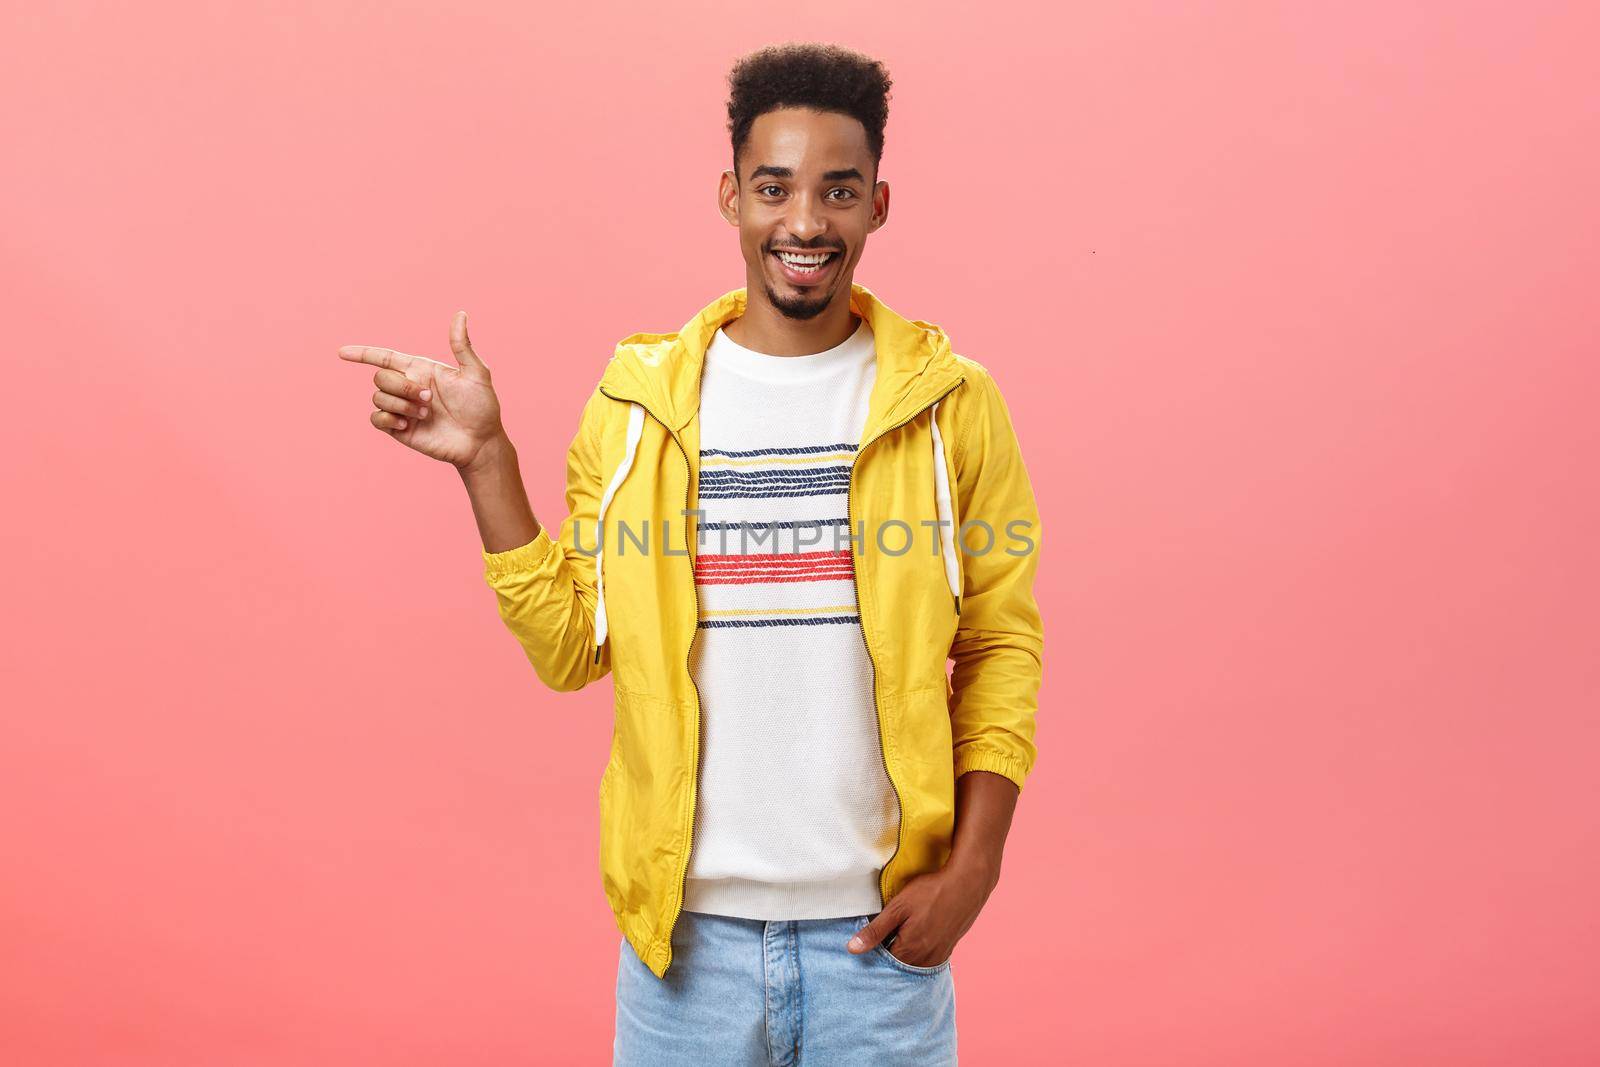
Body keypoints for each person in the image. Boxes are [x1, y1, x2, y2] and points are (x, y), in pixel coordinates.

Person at [338, 41, 1043, 1067]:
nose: (804, 222)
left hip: (878, 952)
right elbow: (573, 644)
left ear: (878, 204)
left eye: (837, 191)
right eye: (775, 188)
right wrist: (486, 461)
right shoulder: (641, 406)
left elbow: (999, 646)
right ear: (730, 196)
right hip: (685, 959)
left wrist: (973, 870)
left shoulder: (953, 405)